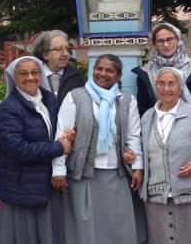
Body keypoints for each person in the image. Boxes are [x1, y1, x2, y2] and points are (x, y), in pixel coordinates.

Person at [52, 54, 144, 244]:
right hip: (84, 173)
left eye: (109, 70)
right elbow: (62, 135)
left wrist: (137, 166)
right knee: (86, 225)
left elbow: (133, 136)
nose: (103, 73)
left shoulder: (127, 100)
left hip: (116, 173)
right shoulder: (75, 97)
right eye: (99, 68)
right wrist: (58, 169)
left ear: (118, 76)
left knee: (116, 223)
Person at [139, 67, 191, 244]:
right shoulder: (148, 116)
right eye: (161, 84)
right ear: (156, 86)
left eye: (172, 83)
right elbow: (142, 148)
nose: (166, 88)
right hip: (157, 195)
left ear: (180, 87)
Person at [0, 56, 71, 244]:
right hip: (23, 186)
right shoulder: (8, 109)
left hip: (44, 182)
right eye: (23, 73)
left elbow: (59, 128)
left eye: (35, 72)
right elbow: (17, 149)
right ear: (14, 78)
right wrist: (58, 147)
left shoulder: (48, 99)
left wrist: (69, 134)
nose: (30, 77)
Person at [132, 22, 191, 117]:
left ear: (178, 40)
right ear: (155, 44)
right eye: (160, 41)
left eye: (170, 39)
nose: (166, 45)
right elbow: (143, 109)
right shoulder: (146, 72)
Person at [32, 30, 86, 107]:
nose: (65, 54)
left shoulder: (76, 76)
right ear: (45, 55)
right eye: (59, 49)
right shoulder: (33, 76)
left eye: (67, 49)